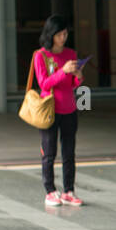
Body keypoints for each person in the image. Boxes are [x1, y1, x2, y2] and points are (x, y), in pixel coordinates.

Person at [35, 14, 84, 206]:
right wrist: (62, 71)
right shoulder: (41, 55)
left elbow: (73, 84)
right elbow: (44, 83)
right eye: (59, 34)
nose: (63, 38)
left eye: (65, 34)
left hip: (69, 109)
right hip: (49, 109)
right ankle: (50, 190)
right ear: (51, 34)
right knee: (49, 152)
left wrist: (78, 76)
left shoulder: (71, 53)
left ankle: (68, 190)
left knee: (69, 152)